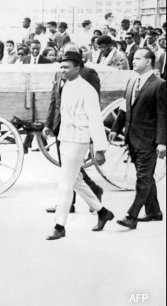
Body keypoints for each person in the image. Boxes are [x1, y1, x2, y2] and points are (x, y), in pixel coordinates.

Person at [45, 51, 113, 240]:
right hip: (65, 139)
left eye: (66, 67)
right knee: (76, 181)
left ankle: (59, 226)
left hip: (79, 140)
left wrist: (100, 148)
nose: (62, 71)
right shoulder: (66, 85)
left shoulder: (87, 89)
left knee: (66, 183)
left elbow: (95, 120)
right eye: (61, 67)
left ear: (78, 67)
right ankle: (102, 212)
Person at [43, 42, 103, 214]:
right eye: (63, 54)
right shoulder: (59, 72)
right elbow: (54, 101)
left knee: (70, 170)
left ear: (77, 61)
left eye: (70, 55)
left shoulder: (88, 74)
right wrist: (48, 124)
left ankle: (66, 207)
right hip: (61, 127)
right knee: (69, 169)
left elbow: (93, 104)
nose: (65, 58)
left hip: (78, 129)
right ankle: (85, 198)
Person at [110, 48, 166, 229]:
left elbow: (163, 115)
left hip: (148, 140)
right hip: (132, 139)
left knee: (142, 178)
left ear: (149, 61)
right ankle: (154, 212)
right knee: (146, 177)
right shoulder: (132, 80)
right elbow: (126, 107)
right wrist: (116, 128)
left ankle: (131, 216)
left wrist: (162, 142)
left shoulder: (160, 84)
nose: (133, 61)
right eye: (133, 58)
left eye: (137, 58)